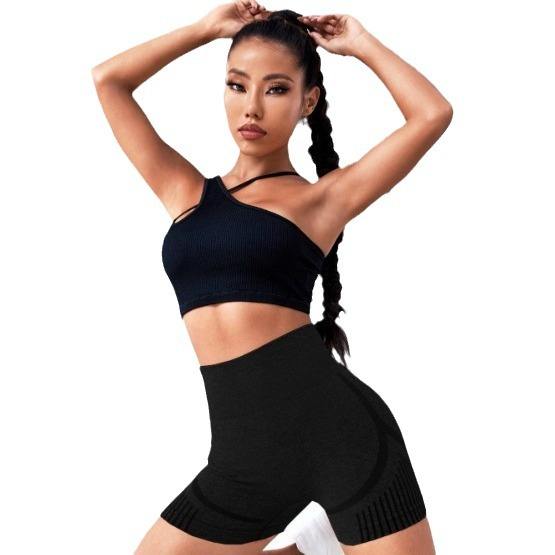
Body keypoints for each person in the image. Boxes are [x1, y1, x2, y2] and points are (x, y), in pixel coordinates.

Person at [92, 2, 452, 553]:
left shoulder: (321, 200)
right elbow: (109, 81)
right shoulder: (186, 191)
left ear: (308, 101)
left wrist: (360, 44)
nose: (252, 106)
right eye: (237, 85)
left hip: (342, 439)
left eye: (276, 89)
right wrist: (204, 29)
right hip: (245, 458)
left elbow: (432, 114)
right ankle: (312, 545)